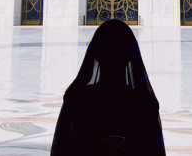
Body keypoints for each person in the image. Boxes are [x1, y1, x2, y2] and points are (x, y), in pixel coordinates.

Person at [50, 19, 167, 155]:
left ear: (96, 55)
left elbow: (61, 149)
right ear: (129, 57)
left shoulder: (77, 99)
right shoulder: (143, 103)